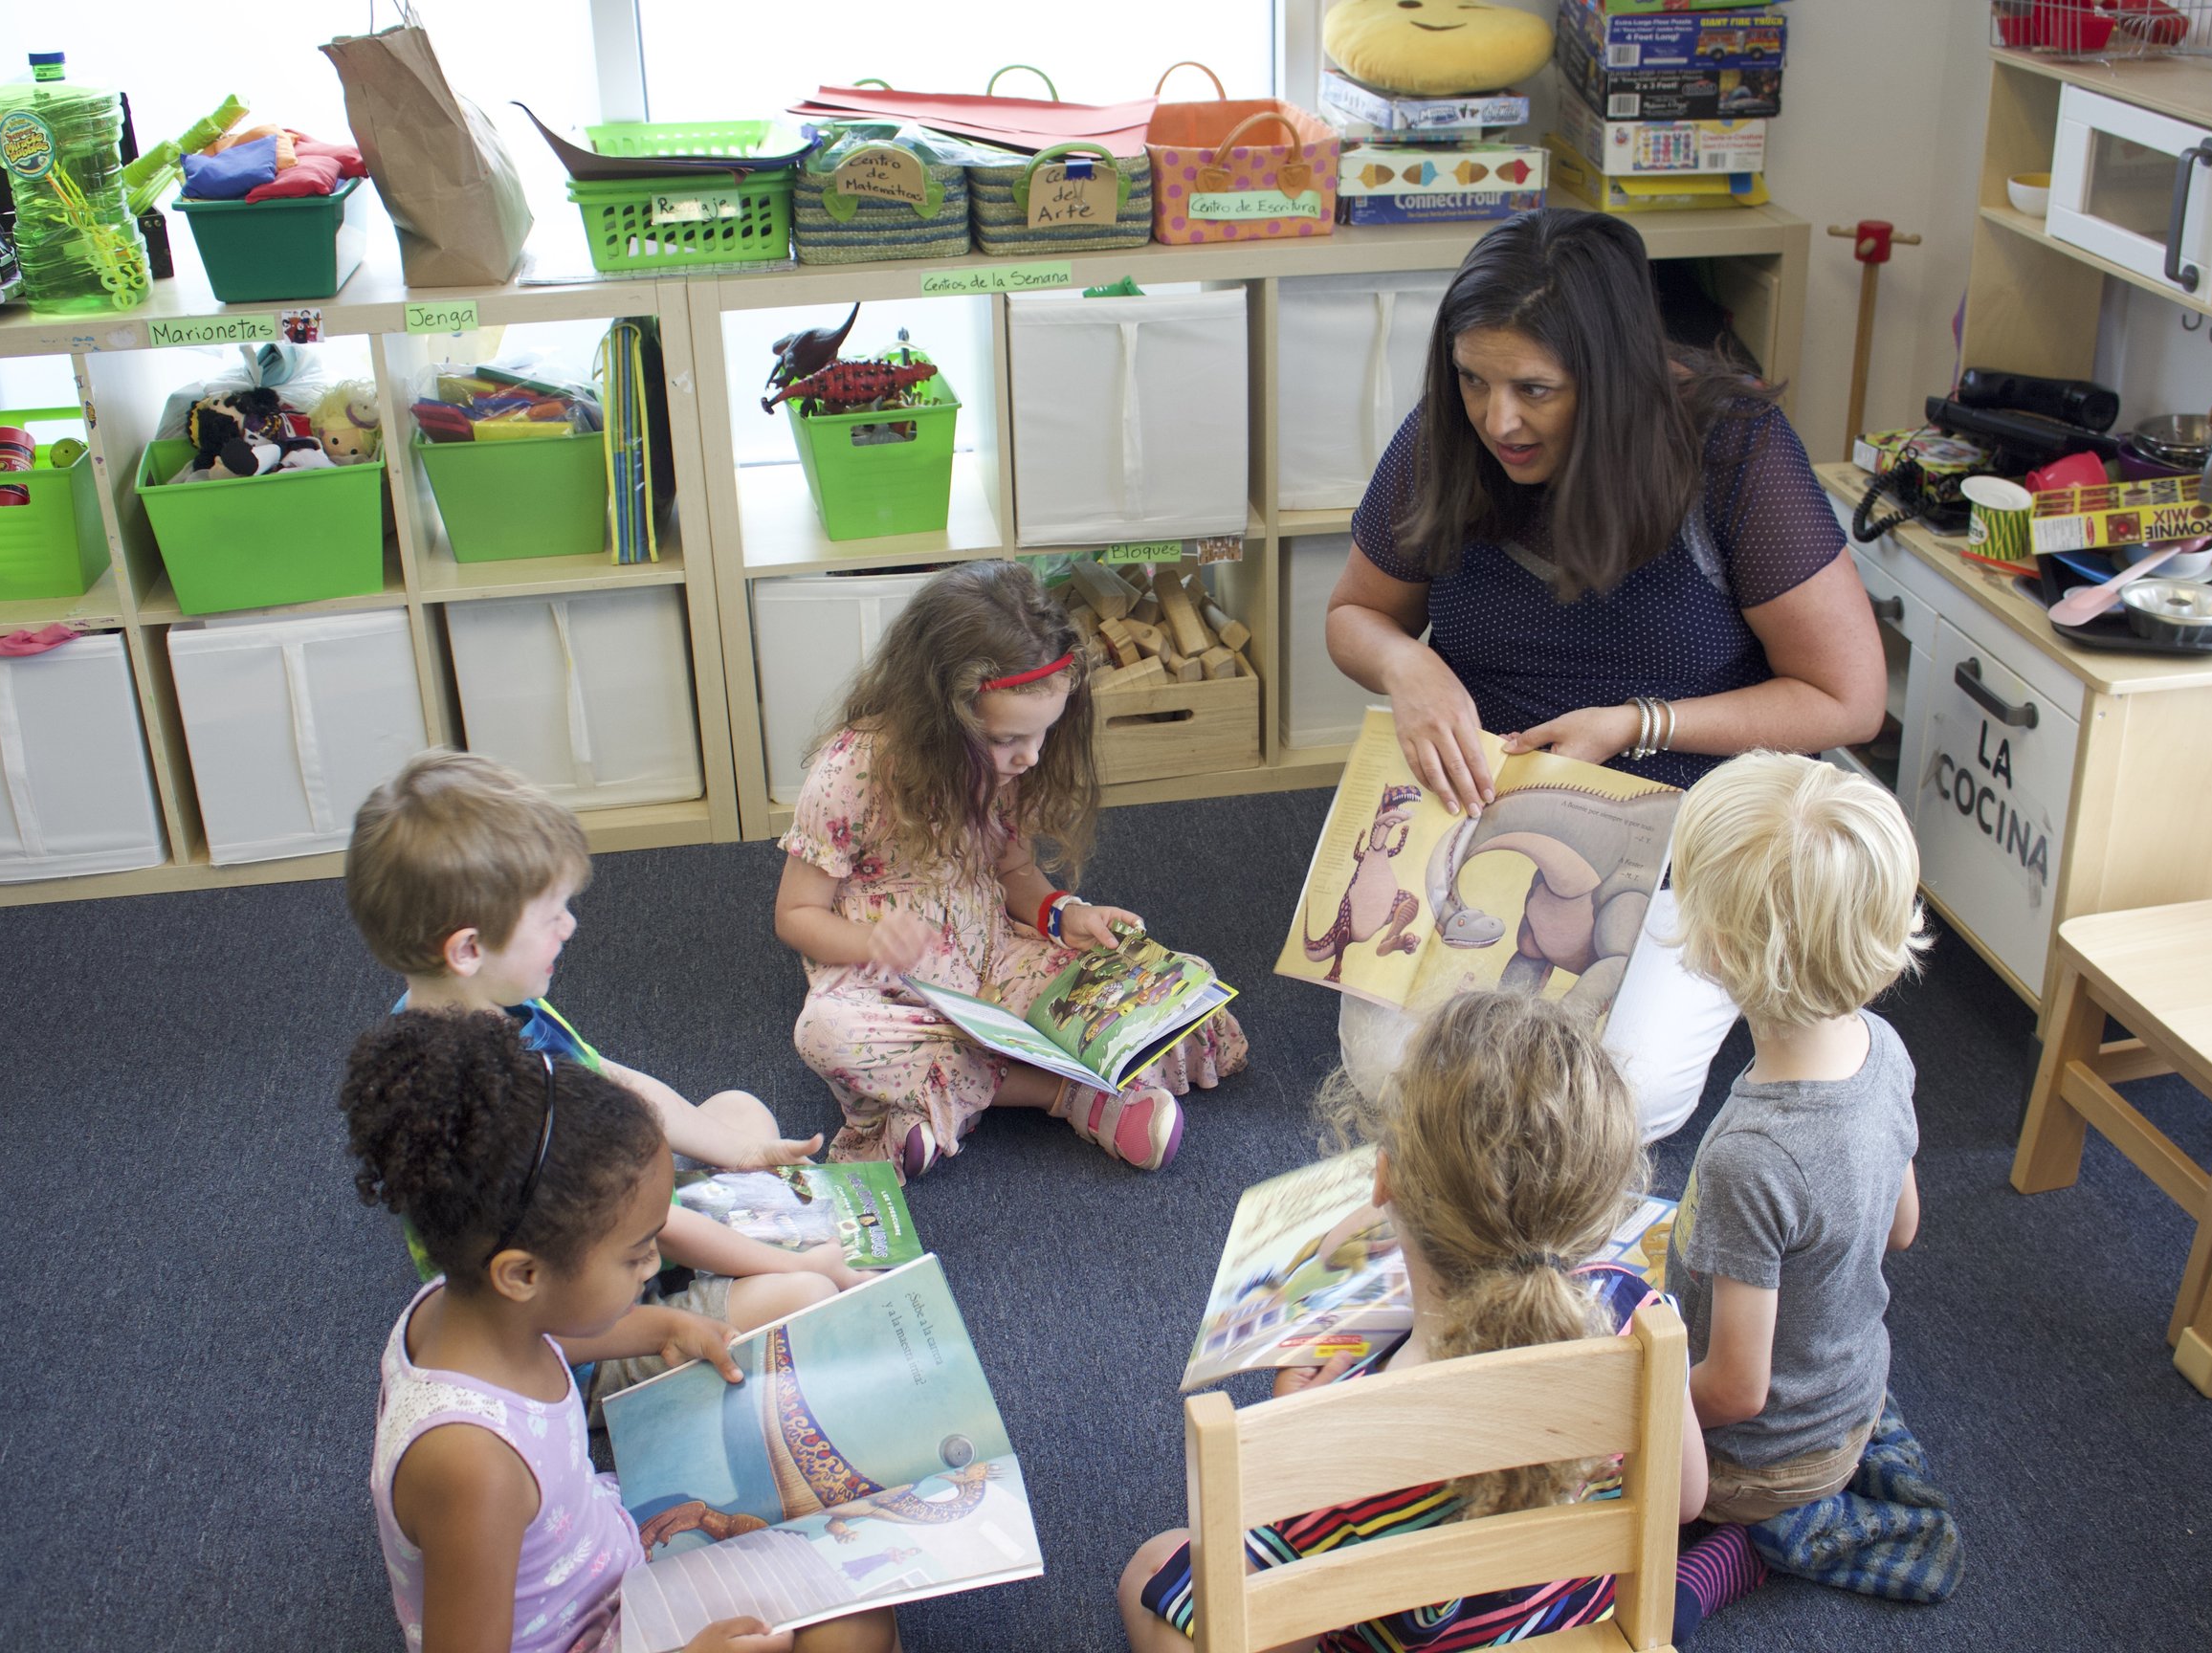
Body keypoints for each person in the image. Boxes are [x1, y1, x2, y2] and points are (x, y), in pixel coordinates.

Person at [1322, 207, 1887, 1142]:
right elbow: (1355, 616)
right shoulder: (1446, 436)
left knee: (1618, 1100)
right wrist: (1406, 665)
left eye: (1537, 390)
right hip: (1484, 804)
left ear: (1615, 377)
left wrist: (1635, 722)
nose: (1499, 418)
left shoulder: (1734, 448)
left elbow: (1847, 698)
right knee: (1394, 1080)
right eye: (1473, 380)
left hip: (1676, 818)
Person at [1119, 993, 1768, 1652]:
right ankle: (1683, 1597)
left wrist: (1300, 1424)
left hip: (1408, 1632)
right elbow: (1686, 1503)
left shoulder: (1344, 1431)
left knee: (1155, 1569)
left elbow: (1289, 1590)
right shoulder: (1635, 1314)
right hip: (1578, 1624)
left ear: (1383, 1181)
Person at [346, 1011, 899, 1653]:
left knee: (857, 1593)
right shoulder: (474, 1468)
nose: (650, 1269)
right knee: (854, 1624)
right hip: (584, 1634)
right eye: (637, 1254)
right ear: (523, 1274)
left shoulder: (462, 1307)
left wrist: (667, 1324)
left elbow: (557, 1339)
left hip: (602, 1559)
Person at [347, 751, 863, 1351]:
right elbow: (652, 1220)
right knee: (806, 1295)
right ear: (466, 949)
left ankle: (723, 1254)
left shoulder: (490, 1003)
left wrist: (741, 1152)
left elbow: (613, 1081)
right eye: (548, 916)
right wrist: (789, 1266)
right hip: (579, 1326)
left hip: (618, 1231)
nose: (569, 927)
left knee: (739, 1111)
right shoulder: (491, 1101)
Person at [774, 561, 1247, 1178]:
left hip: (994, 957)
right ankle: (1073, 1096)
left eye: (1045, 734)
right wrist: (870, 942)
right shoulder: (848, 773)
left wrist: (1062, 914)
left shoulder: (1008, 768)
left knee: (1179, 995)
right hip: (891, 984)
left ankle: (930, 1105)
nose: (1029, 757)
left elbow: (1015, 872)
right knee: (827, 1034)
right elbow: (796, 914)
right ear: (936, 718)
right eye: (1004, 740)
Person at [1657, 753, 1927, 1530]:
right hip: (1856, 1394)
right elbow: (1901, 1228)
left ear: (1716, 947)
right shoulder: (1884, 1047)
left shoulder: (1753, 1157)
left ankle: (1732, 1553)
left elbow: (1737, 1392)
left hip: (1757, 1457)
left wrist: (1624, 1413)